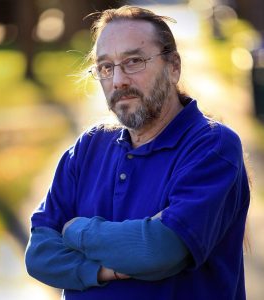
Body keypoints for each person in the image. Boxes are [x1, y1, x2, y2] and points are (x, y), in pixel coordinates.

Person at [25, 5, 250, 300]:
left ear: (174, 67)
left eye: (133, 61)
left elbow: (161, 249)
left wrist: (76, 230)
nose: (118, 80)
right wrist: (105, 271)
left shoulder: (211, 146)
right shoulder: (88, 148)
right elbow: (39, 255)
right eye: (106, 67)